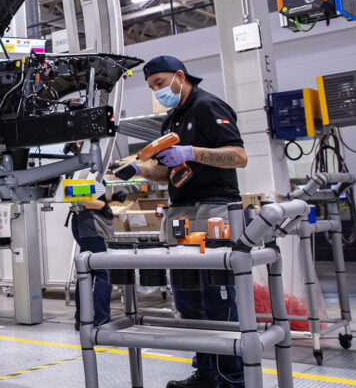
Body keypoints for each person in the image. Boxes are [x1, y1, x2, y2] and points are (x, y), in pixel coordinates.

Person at [115, 56, 248, 388]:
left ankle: (231, 379)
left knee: (217, 297)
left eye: (159, 84)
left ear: (179, 76)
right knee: (188, 301)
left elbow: (238, 156)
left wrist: (191, 152)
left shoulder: (208, 106)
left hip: (213, 207)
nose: (157, 92)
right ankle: (205, 375)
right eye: (151, 88)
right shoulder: (170, 120)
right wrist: (138, 170)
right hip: (181, 211)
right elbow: (166, 171)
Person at [64, 142, 114, 330]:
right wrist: (104, 206)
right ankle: (100, 319)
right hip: (90, 224)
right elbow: (83, 200)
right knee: (103, 272)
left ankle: (82, 318)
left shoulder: (74, 166)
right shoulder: (83, 167)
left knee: (86, 272)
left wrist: (112, 198)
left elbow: (90, 194)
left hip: (82, 224)